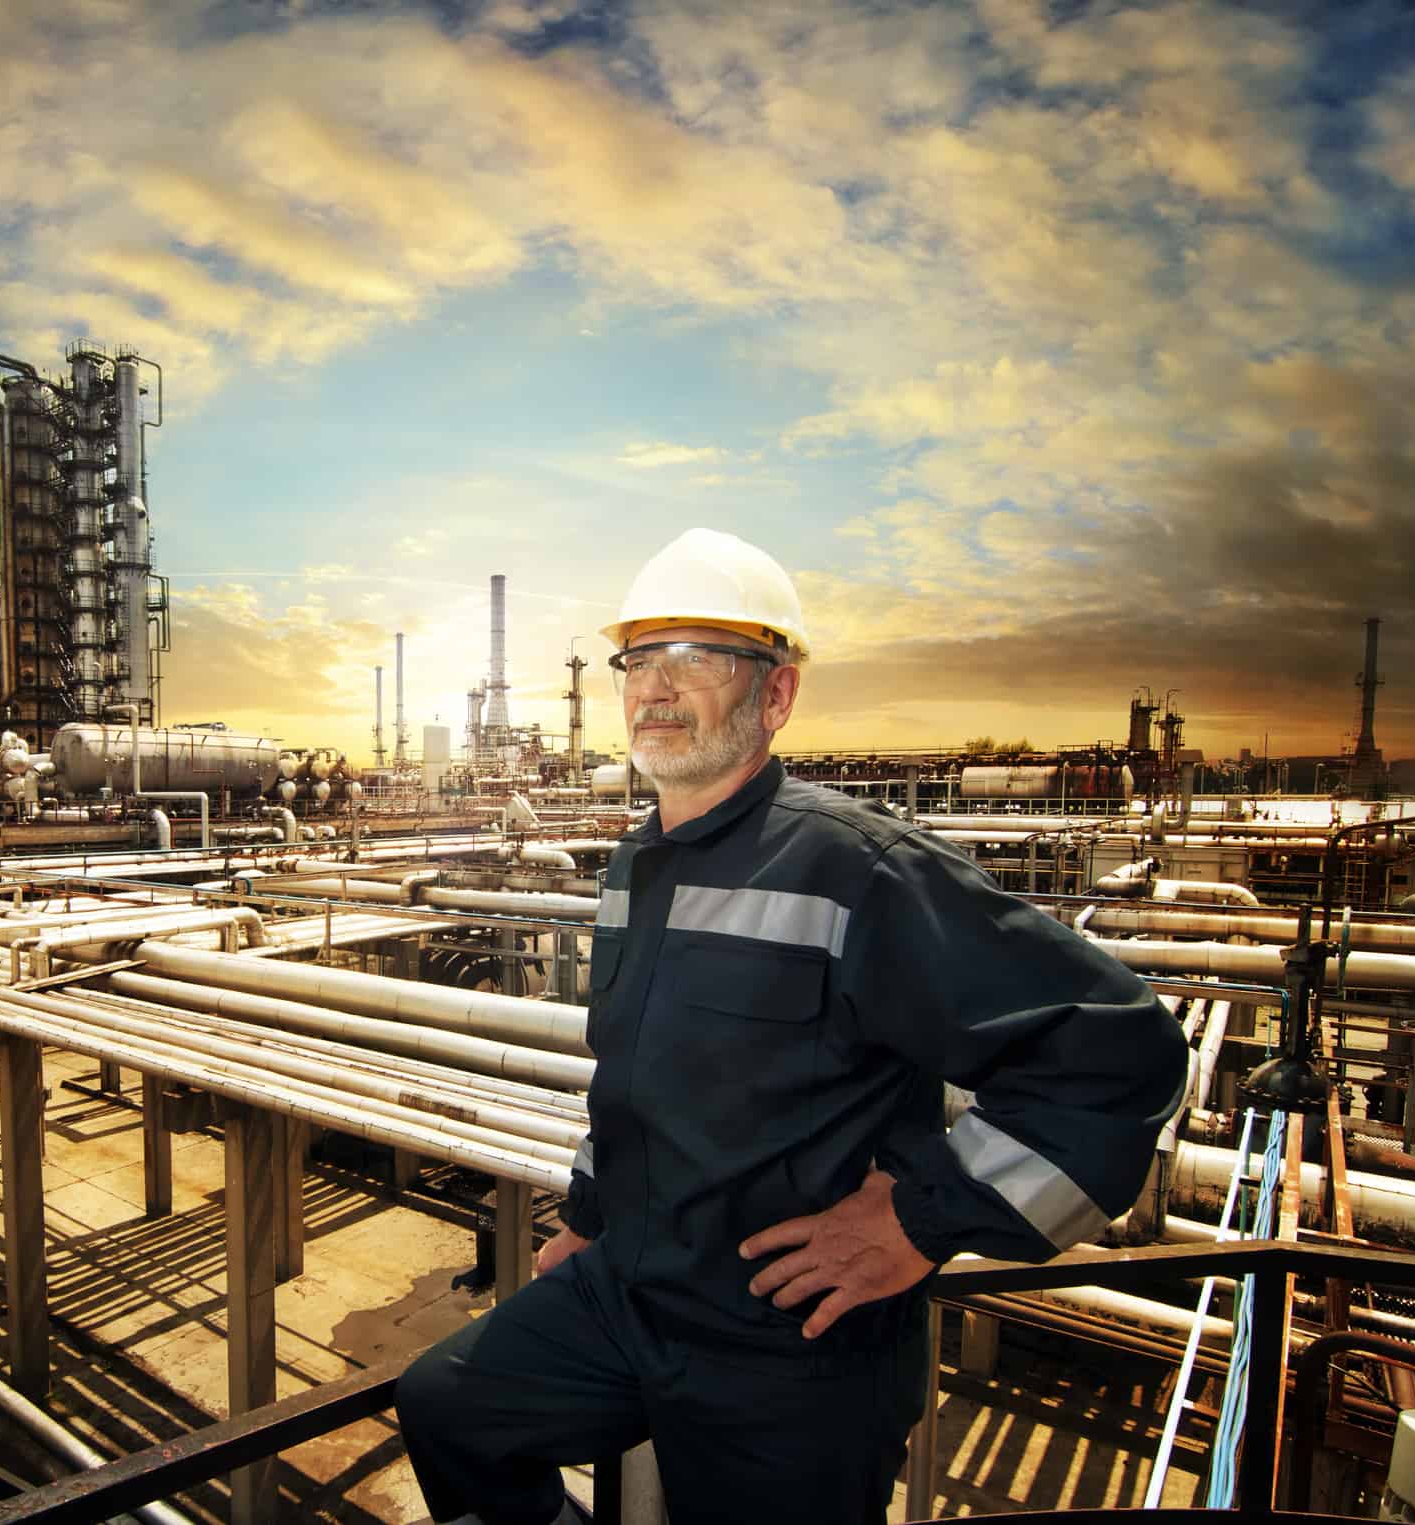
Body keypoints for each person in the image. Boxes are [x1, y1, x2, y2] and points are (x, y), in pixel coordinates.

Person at [395, 527, 1188, 1525]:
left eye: (700, 659)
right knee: (449, 1409)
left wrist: (921, 1218)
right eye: (639, 660)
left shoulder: (859, 870)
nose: (656, 689)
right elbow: (631, 1077)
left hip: (790, 1351)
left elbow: (1117, 1051)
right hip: (635, 1292)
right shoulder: (635, 868)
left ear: (775, 695)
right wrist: (592, 1218)